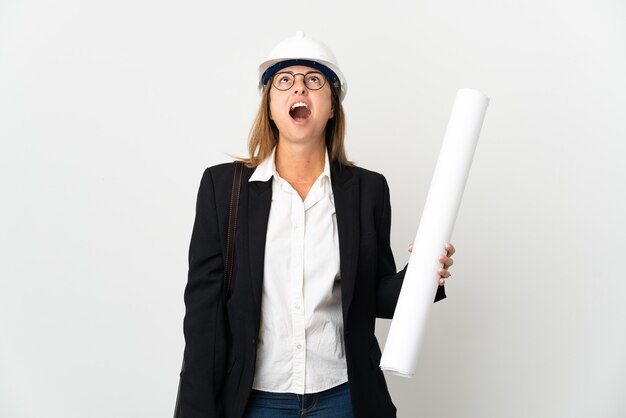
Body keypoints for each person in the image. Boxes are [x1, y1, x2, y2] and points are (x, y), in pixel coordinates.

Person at [175, 31, 455, 418]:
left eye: (314, 80)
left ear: (332, 107)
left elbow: (374, 297)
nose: (299, 88)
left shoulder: (368, 190)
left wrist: (426, 276)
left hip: (342, 397)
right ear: (270, 106)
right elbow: (203, 314)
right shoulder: (224, 189)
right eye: (284, 81)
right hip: (255, 400)